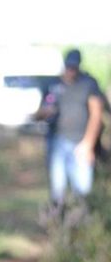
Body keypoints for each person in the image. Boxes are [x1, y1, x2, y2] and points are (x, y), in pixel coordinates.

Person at [38, 48, 106, 210]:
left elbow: (97, 115)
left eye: (74, 67)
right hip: (57, 142)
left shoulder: (88, 84)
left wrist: (88, 144)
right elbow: (38, 113)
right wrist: (45, 112)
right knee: (58, 190)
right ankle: (58, 224)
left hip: (80, 143)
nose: (70, 70)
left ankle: (82, 226)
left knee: (82, 191)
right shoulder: (54, 85)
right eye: (68, 66)